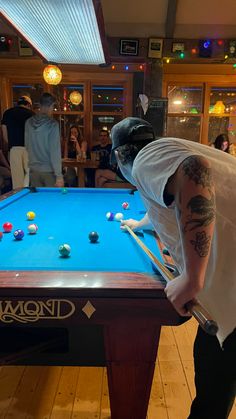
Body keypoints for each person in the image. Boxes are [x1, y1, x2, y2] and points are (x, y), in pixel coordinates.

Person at [110, 117, 236, 419]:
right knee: (213, 383)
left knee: (211, 397)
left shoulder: (146, 159)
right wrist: (139, 224)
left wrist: (191, 279)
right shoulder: (163, 153)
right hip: (228, 304)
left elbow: (195, 169)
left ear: (118, 156)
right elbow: (170, 200)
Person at [25, 93, 64, 188]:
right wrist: (59, 176)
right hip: (49, 172)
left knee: (37, 202)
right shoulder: (52, 124)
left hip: (34, 172)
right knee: (52, 202)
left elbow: (27, 146)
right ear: (51, 106)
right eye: (53, 107)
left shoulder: (28, 122)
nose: (52, 110)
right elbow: (55, 151)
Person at [1, 95, 34, 189]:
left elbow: (4, 133)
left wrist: (10, 143)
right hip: (29, 149)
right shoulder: (32, 115)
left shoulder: (7, 113)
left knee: (17, 179)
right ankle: (26, 191)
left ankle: (19, 196)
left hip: (14, 148)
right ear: (28, 105)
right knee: (29, 174)